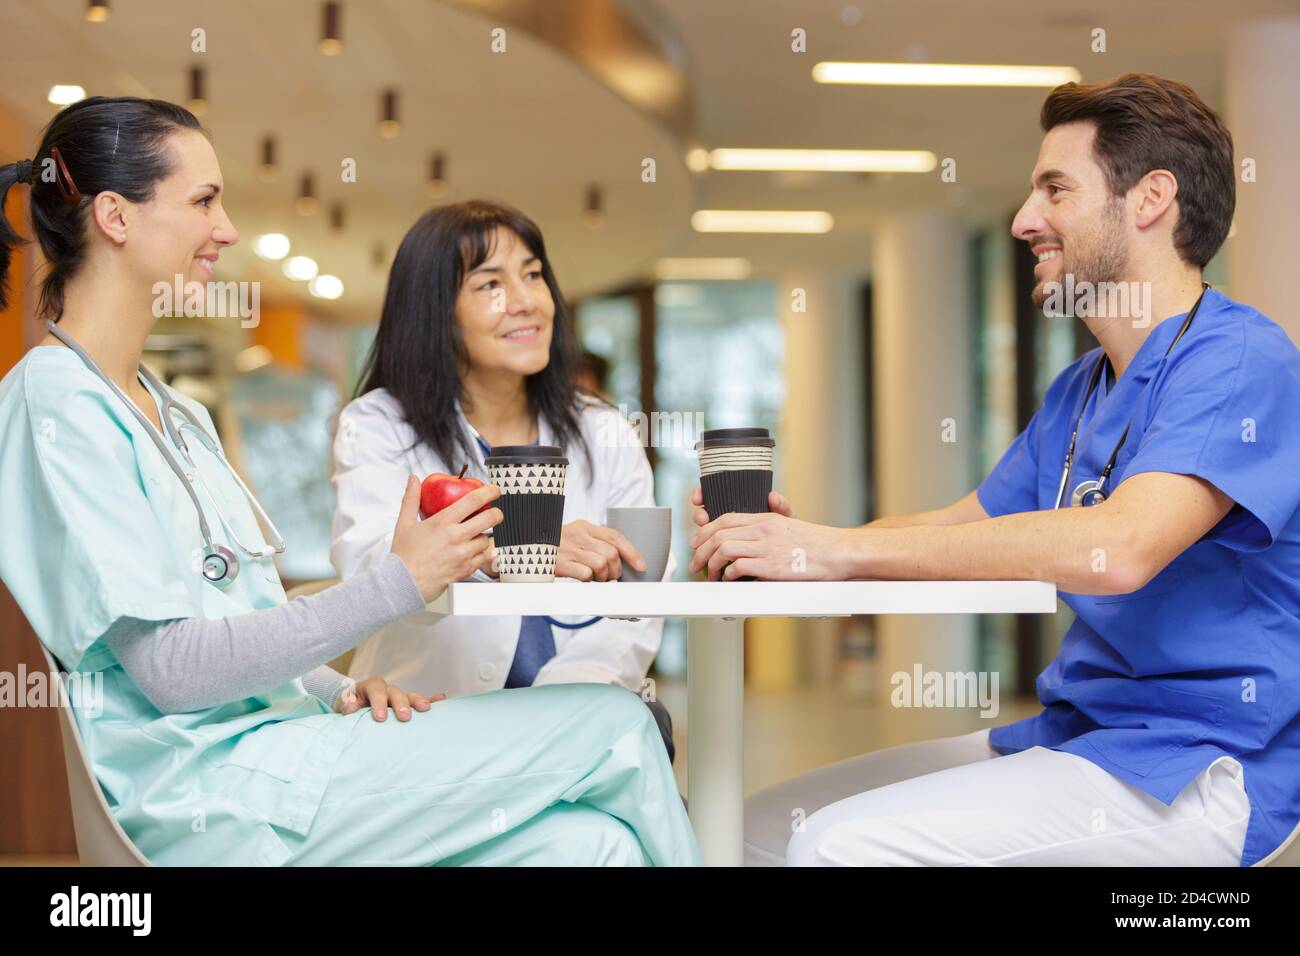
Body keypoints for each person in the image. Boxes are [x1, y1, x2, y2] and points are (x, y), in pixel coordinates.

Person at [0, 96, 700, 866]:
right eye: (204, 201)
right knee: (620, 726)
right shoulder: (55, 401)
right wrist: (404, 578)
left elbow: (242, 616)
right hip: (209, 791)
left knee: (590, 846)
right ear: (115, 217)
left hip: (288, 746)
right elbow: (169, 670)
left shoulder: (180, 418)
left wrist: (336, 688)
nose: (226, 230)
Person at [688, 73, 1300, 867]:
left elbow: (1118, 549)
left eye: (1054, 189)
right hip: (1077, 735)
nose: (1023, 220)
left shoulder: (1240, 360)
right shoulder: (1081, 389)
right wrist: (801, 542)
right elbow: (961, 526)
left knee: (838, 849)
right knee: (751, 829)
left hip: (1201, 766)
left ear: (1151, 198)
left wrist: (839, 553)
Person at [331, 200, 677, 760]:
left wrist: (556, 710)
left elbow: (636, 601)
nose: (526, 302)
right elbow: (371, 572)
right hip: (424, 720)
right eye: (490, 284)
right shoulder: (378, 425)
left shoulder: (602, 429)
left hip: (574, 718)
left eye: (534, 274)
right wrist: (508, 550)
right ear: (435, 311)